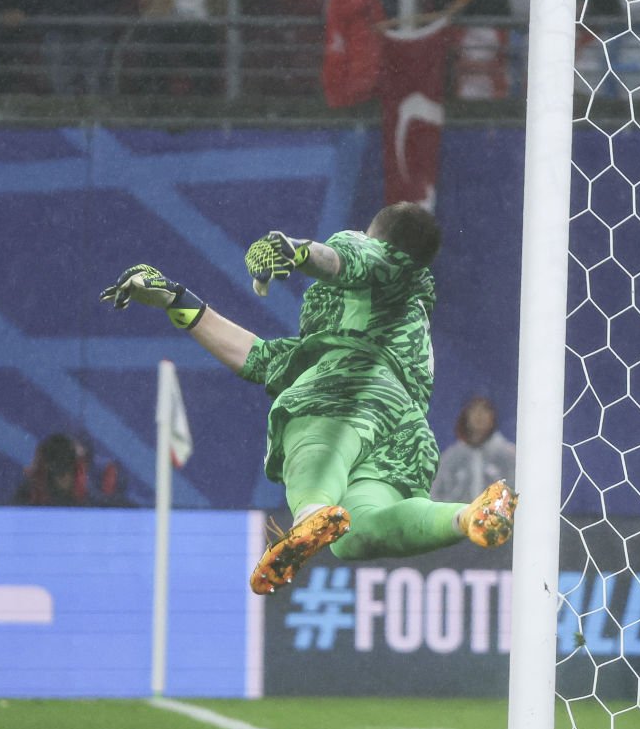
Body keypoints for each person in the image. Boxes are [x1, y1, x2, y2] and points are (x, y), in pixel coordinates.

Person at [101, 203, 517, 594]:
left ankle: (309, 514)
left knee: (308, 422)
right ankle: (466, 516)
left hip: (352, 391)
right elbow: (259, 358)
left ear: (377, 234)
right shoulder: (380, 320)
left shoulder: (378, 257)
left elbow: (345, 260)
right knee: (357, 533)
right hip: (401, 431)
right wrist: (178, 299)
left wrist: (294, 251)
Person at [431, 395, 516, 503]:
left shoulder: (509, 456)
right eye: (474, 409)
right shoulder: (451, 458)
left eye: (485, 409)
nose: (479, 415)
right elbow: (435, 495)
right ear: (466, 416)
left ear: (493, 416)